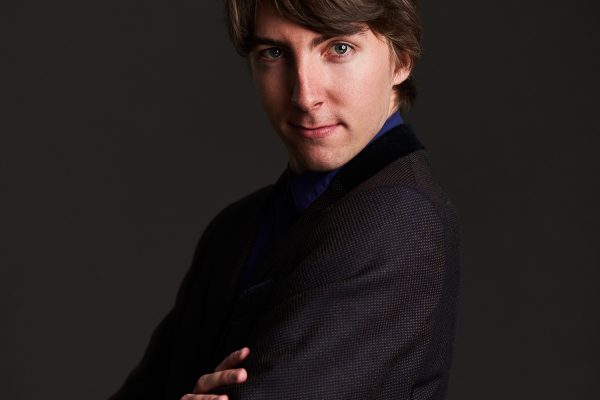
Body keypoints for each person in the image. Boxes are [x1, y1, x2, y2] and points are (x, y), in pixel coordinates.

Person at [110, 0, 460, 399]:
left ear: (402, 60)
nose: (304, 96)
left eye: (338, 48)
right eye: (274, 53)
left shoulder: (399, 218)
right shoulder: (234, 229)